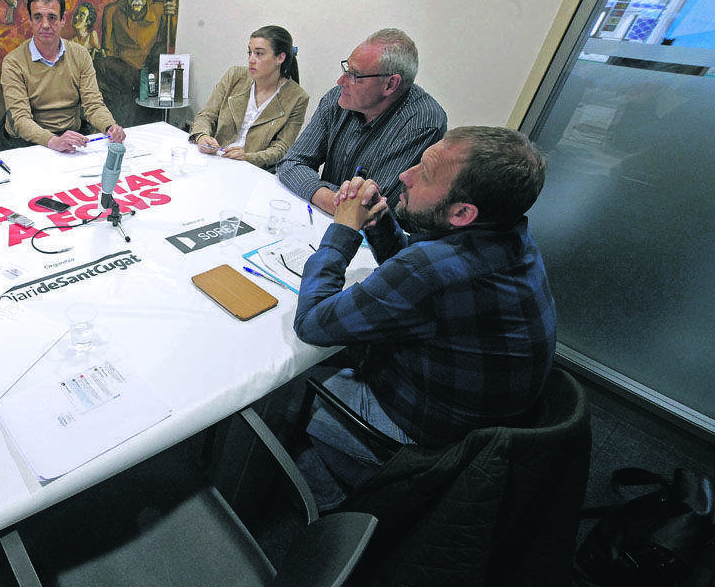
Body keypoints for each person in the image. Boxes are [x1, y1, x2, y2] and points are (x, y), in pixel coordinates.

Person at [292, 126, 555, 510]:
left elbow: (313, 323)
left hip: (424, 448)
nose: (405, 174)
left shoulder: (437, 269)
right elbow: (416, 273)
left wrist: (343, 230)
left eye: (425, 174)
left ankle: (331, 508)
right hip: (483, 437)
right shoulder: (508, 236)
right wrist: (380, 223)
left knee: (290, 386)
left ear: (463, 213)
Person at [276, 28, 446, 216]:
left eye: (355, 75)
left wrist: (311, 186)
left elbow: (374, 206)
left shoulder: (423, 123)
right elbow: (291, 163)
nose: (341, 81)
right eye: (346, 69)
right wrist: (328, 199)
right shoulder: (338, 98)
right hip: (322, 217)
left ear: (390, 84)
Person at [0, 0, 126, 153]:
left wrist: (110, 126)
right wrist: (53, 141)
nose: (45, 25)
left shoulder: (80, 55)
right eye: (38, 17)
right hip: (28, 142)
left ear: (63, 19)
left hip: (71, 135)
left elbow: (93, 104)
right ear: (30, 20)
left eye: (52, 17)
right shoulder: (13, 62)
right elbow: (20, 119)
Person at [188, 25, 309, 170]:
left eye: (259, 54)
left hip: (254, 171)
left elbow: (281, 149)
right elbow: (207, 115)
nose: (251, 60)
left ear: (280, 58)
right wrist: (201, 136)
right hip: (216, 159)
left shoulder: (297, 98)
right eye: (249, 52)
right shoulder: (234, 76)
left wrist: (248, 157)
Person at [93, 0, 176, 127]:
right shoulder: (113, 11)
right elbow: (109, 54)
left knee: (159, 50)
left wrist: (171, 17)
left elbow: (169, 44)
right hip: (121, 75)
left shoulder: (159, 10)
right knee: (103, 64)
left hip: (146, 74)